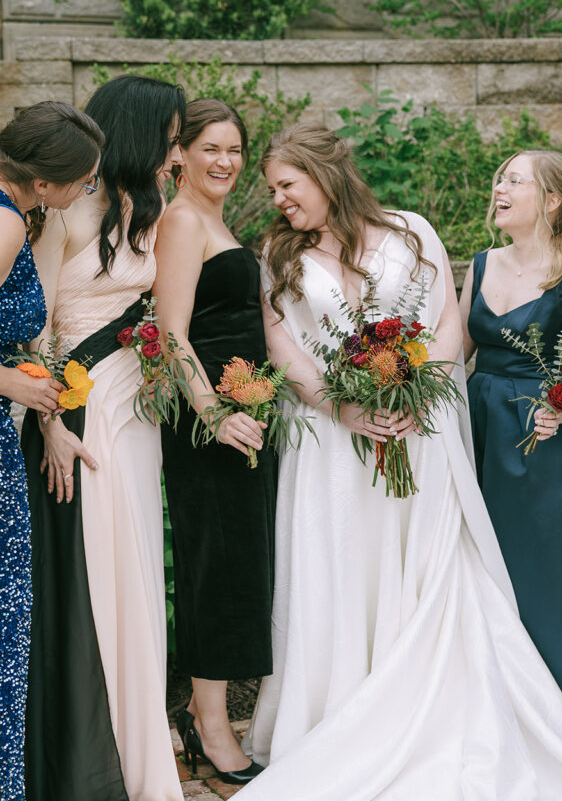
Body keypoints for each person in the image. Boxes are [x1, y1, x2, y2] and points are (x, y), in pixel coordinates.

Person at [238, 123, 562, 801]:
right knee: (339, 565)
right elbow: (281, 345)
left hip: (425, 428)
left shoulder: (410, 231)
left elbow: (445, 322)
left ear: (323, 174)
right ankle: (337, 712)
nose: (278, 201)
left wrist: (421, 394)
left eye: (286, 186)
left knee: (430, 566)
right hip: (333, 439)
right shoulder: (277, 251)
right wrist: (342, 405)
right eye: (272, 190)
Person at [21, 75, 186, 801]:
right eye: (172, 137)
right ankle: (92, 758)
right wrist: (52, 424)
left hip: (134, 410)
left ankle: (139, 735)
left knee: (136, 565)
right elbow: (37, 325)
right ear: (140, 131)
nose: (176, 153)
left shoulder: (146, 209)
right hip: (78, 413)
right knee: (92, 573)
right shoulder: (68, 213)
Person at [460, 150, 562, 732]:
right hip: (475, 431)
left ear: (550, 201)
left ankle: (558, 717)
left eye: (514, 181)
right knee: (474, 567)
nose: (499, 187)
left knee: (541, 575)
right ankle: (484, 710)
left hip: (536, 443)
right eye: (499, 178)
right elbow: (456, 356)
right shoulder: (479, 264)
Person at [154, 99, 276, 786]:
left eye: (234, 150)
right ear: (179, 154)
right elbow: (172, 333)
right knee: (217, 568)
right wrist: (212, 414)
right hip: (210, 427)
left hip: (243, 416)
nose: (225, 162)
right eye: (210, 150)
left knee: (238, 567)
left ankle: (214, 717)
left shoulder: (212, 219)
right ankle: (209, 723)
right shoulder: (180, 221)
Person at [0, 102, 103, 801]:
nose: (84, 194)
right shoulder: (5, 220)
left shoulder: (20, 215)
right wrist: (12, 382)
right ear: (45, 184)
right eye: (83, 183)